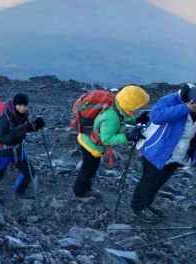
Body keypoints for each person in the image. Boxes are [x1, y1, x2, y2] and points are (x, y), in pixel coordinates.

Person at [131, 83, 196, 222]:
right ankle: (138, 208)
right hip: (158, 152)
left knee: (158, 183)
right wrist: (184, 108)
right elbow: (156, 116)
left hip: (177, 156)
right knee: (148, 182)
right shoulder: (171, 100)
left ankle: (147, 204)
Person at [73, 85, 150, 199]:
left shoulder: (116, 103)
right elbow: (106, 140)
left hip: (87, 138)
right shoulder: (111, 117)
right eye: (137, 107)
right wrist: (128, 137)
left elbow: (123, 117)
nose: (137, 109)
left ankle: (85, 188)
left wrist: (137, 121)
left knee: (89, 168)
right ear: (130, 105)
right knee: (88, 169)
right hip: (91, 146)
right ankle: (80, 192)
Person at [0, 93, 45, 197]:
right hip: (3, 151)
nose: (22, 108)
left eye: (25, 105)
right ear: (15, 104)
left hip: (18, 149)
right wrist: (16, 133)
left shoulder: (24, 115)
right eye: (19, 105)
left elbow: (26, 128)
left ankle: (19, 192)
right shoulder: (5, 118)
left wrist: (36, 125)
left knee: (29, 172)